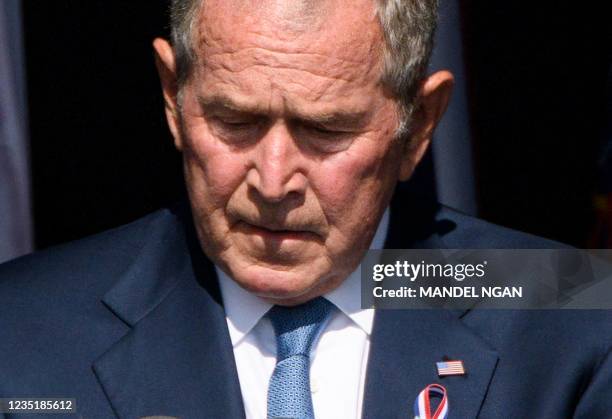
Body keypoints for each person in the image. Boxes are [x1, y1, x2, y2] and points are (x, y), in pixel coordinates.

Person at [1, 0, 611, 418]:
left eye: (325, 131)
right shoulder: (21, 329)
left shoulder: (570, 307)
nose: (272, 180)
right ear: (172, 95)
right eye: (234, 121)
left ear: (418, 126)